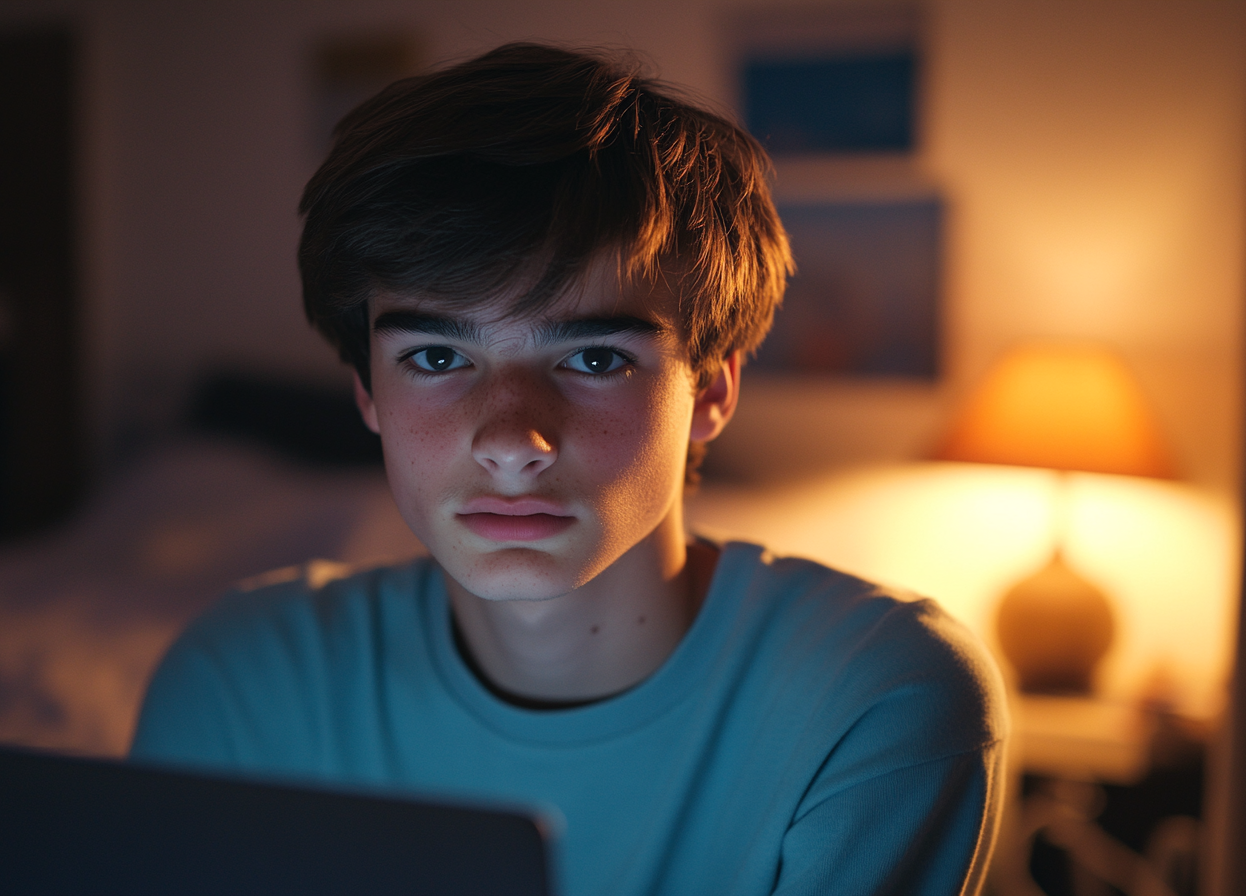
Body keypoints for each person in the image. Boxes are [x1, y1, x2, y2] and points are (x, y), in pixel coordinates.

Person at [130, 42, 1007, 895]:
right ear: (367, 392)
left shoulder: (871, 705)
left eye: (592, 360)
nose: (512, 439)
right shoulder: (240, 685)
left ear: (710, 391)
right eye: (437, 358)